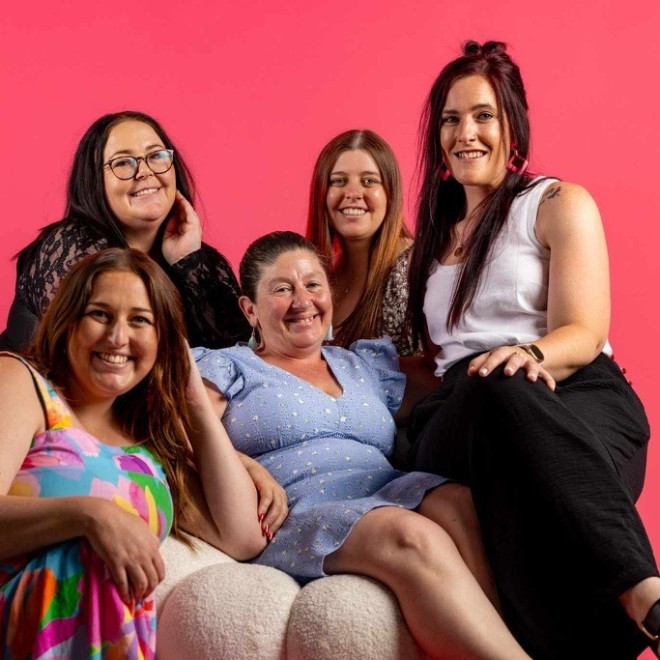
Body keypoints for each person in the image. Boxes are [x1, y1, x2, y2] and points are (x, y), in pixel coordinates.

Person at [406, 40, 660, 658]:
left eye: (483, 115)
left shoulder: (555, 203)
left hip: (575, 387)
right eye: (450, 119)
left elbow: (584, 328)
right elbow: (428, 356)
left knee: (543, 490)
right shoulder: (431, 240)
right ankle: (646, 595)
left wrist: (534, 356)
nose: (466, 133)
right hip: (467, 406)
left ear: (513, 125)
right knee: (497, 387)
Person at [194, 231, 531, 659]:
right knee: (410, 534)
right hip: (300, 510)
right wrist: (246, 465)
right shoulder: (229, 367)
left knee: (458, 502)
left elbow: (459, 378)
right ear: (250, 309)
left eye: (313, 284)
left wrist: (549, 357)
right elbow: (177, 431)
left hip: (386, 489)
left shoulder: (363, 364)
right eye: (282, 289)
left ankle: (504, 641)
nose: (302, 301)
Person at [0, 248, 265, 658]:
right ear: (68, 321)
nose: (117, 337)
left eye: (140, 320)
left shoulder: (149, 448)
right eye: (99, 314)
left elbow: (242, 537)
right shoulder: (22, 382)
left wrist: (193, 397)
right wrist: (92, 516)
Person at [0, 110, 250, 352]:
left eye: (156, 155)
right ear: (94, 182)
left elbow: (242, 360)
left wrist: (187, 263)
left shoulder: (205, 262)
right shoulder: (71, 246)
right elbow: (102, 360)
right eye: (122, 162)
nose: (145, 171)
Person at [306, 129, 417, 356]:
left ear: (390, 194)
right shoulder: (317, 276)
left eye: (369, 181)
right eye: (339, 181)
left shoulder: (415, 267)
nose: (353, 193)